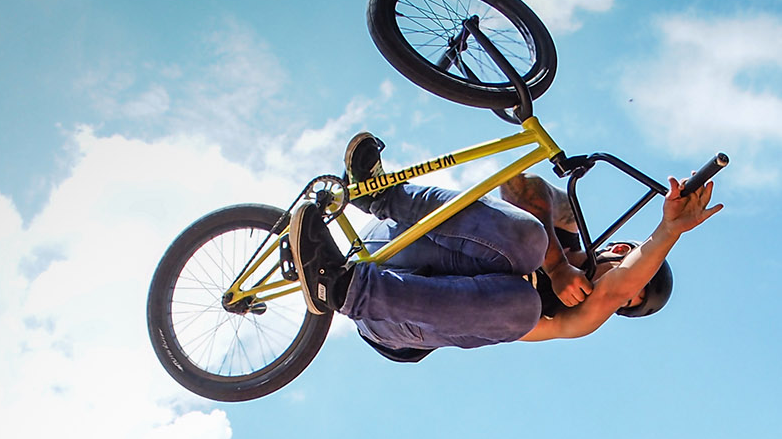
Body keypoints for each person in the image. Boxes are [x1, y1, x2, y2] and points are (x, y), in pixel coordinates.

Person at [288, 132, 721, 362]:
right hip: (404, 241)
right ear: (622, 250)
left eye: (625, 303)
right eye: (633, 283)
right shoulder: (569, 225)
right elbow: (517, 185)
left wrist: (670, 230)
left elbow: (609, 292)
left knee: (522, 306)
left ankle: (343, 288)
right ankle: (382, 196)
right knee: (531, 238)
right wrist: (556, 263)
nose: (621, 292)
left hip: (394, 318)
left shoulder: (573, 318)